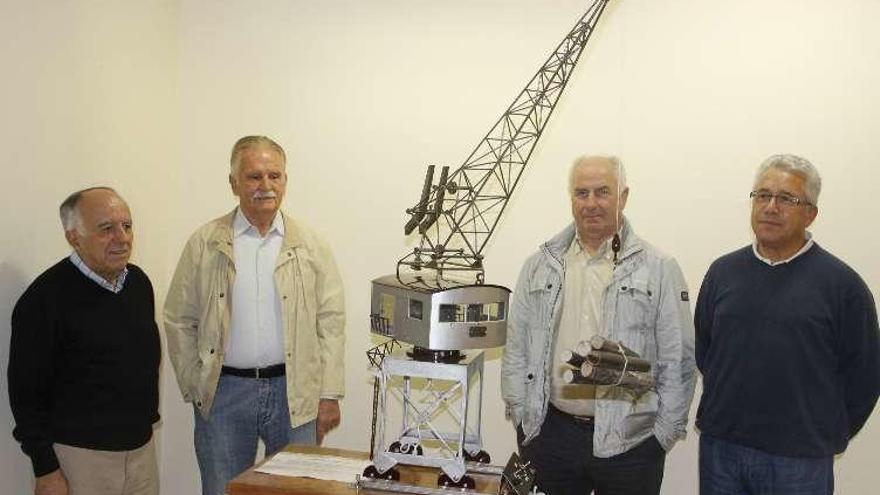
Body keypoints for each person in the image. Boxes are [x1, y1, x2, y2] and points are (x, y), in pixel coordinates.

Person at [501, 155, 696, 495]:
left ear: (623, 196)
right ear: (571, 198)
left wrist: (661, 436)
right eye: (582, 193)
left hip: (631, 445)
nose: (591, 203)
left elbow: (678, 358)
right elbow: (516, 347)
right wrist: (522, 417)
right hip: (552, 438)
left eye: (602, 192)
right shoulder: (540, 266)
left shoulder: (659, 268)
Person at [164, 135, 346, 495]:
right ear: (233, 183)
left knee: (298, 492)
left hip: (295, 395)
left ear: (285, 181)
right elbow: (178, 318)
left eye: (274, 176)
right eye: (253, 177)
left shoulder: (310, 244)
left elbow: (331, 321)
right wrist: (196, 383)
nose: (265, 186)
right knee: (223, 490)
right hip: (224, 395)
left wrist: (328, 394)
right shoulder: (205, 243)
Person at [695, 154, 880, 495]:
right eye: (762, 195)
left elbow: (866, 375)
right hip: (722, 450)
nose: (770, 207)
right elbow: (707, 352)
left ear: (811, 212)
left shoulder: (843, 286)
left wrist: (824, 431)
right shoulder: (723, 272)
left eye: (786, 199)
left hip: (801, 461)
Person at [8, 187, 161, 495]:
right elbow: (26, 393)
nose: (123, 237)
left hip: (141, 454)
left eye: (127, 226)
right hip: (79, 462)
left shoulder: (139, 284)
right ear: (73, 237)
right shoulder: (44, 299)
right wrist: (45, 469)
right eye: (107, 229)